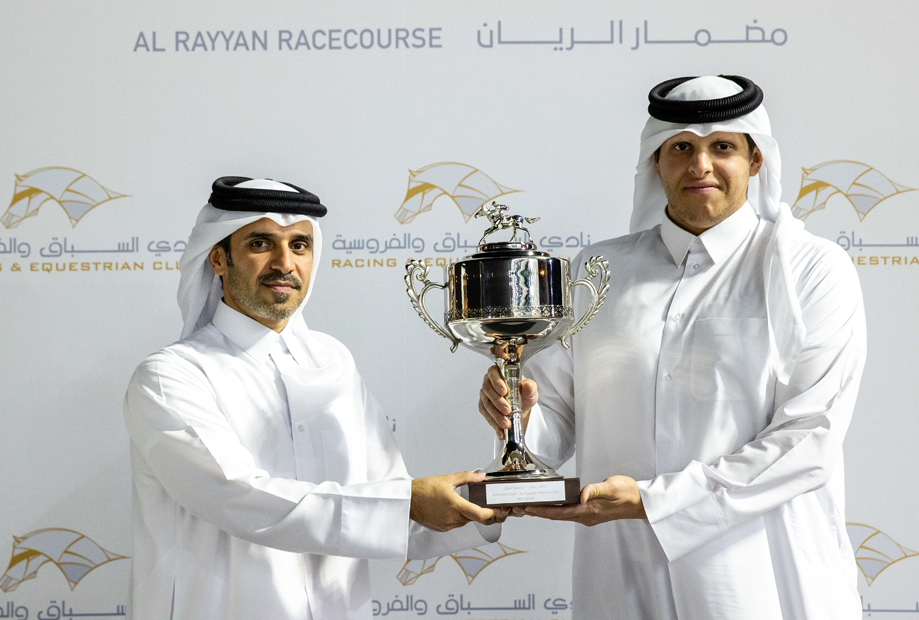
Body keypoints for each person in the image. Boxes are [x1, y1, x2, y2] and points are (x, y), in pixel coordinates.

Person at [478, 76, 866, 619]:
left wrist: (655, 503)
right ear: (655, 163)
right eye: (681, 147)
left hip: (759, 580)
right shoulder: (598, 271)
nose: (700, 164)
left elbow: (810, 438)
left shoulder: (810, 269)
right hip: (621, 575)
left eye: (722, 147)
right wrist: (515, 413)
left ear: (755, 161)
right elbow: (556, 417)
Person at [124, 177, 506, 620]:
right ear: (218, 258)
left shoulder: (333, 361)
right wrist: (406, 503)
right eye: (261, 243)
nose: (283, 263)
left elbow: (391, 506)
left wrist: (490, 498)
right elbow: (237, 497)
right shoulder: (172, 376)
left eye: (300, 245)